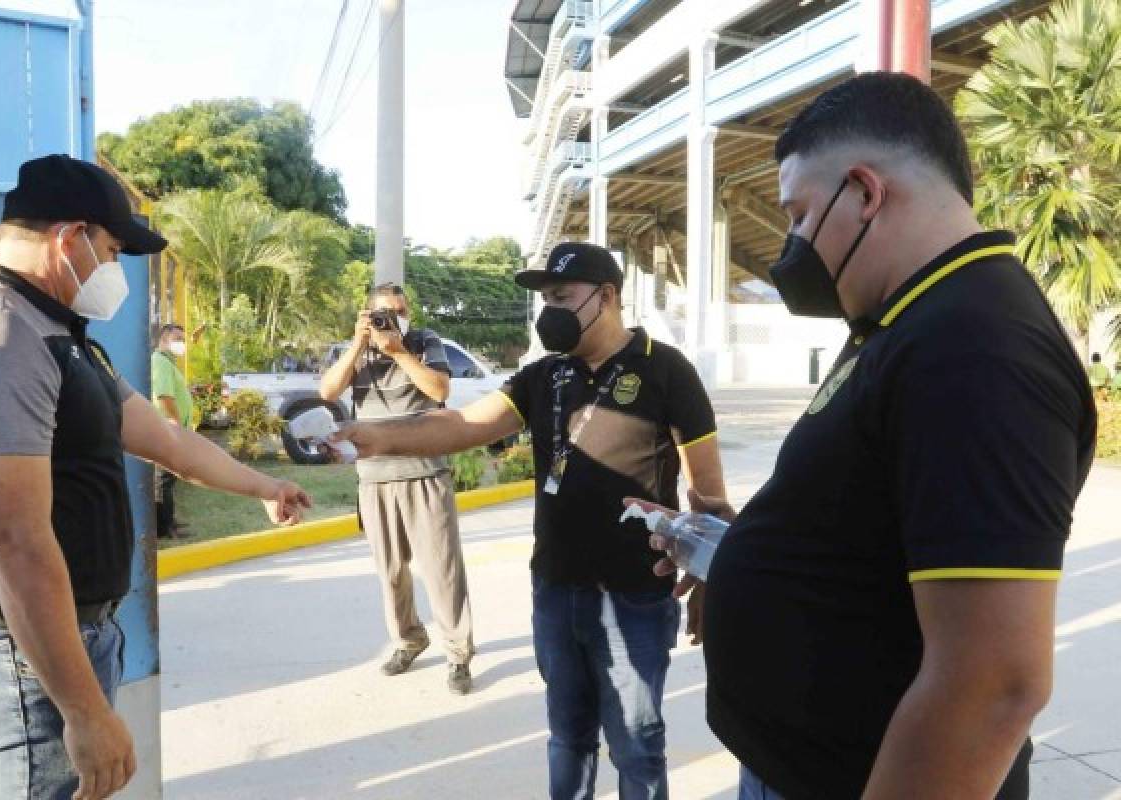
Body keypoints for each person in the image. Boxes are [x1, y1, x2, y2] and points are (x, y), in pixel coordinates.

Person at [638, 73, 1095, 800]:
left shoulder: (974, 347)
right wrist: (751, 546)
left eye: (796, 215)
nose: (788, 245)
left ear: (864, 192)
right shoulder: (906, 321)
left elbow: (993, 684)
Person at [0, 155, 313, 800]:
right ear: (69, 238)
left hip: (62, 641)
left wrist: (263, 486)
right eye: (112, 249)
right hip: (17, 659)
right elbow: (13, 543)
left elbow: (167, 440)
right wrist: (84, 712)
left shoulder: (56, 334)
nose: (115, 269)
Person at [334, 243, 731, 799]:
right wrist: (378, 437)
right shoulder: (543, 375)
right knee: (568, 739)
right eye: (545, 299)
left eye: (562, 297)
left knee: (637, 745)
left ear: (607, 296)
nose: (550, 310)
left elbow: (708, 493)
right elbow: (465, 425)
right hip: (555, 590)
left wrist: (713, 578)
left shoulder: (666, 370)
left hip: (636, 597)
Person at [319, 283, 476, 694]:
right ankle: (409, 639)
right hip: (374, 477)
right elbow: (328, 391)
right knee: (390, 572)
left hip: (425, 473)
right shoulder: (351, 349)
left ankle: (458, 655)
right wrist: (358, 344)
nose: (395, 319)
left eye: (401, 311)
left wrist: (399, 352)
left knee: (442, 572)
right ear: (366, 315)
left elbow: (439, 391)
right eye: (384, 313)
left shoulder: (423, 342)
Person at [151, 323, 192, 539]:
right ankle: (163, 528)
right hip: (168, 430)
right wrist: (175, 421)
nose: (181, 344)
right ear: (163, 339)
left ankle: (169, 522)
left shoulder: (169, 363)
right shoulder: (160, 362)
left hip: (174, 431)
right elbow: (164, 396)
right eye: (177, 339)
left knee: (169, 479)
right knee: (163, 480)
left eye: (183, 340)